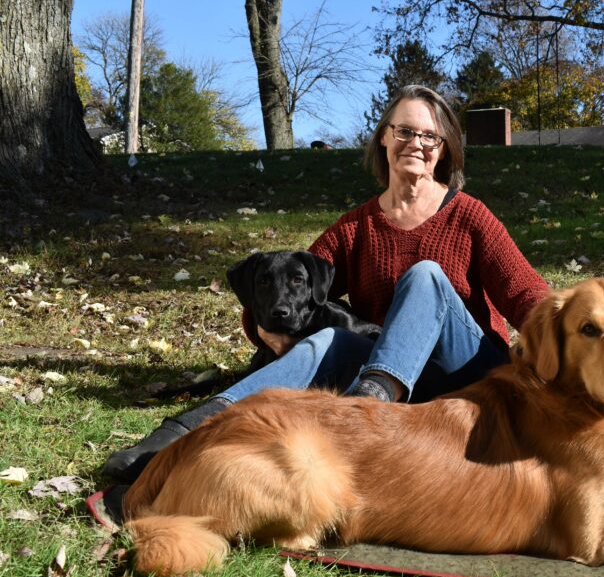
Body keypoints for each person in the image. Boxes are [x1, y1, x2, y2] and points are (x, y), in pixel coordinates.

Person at [103, 85, 550, 483]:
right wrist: (263, 325)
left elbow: (525, 293)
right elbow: (292, 281)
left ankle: (355, 419)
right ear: (383, 137)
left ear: (444, 149)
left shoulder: (468, 215)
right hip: (393, 384)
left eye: (429, 136)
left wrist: (578, 335)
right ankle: (185, 435)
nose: (415, 143)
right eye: (404, 131)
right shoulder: (356, 227)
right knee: (325, 342)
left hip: (468, 375)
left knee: (426, 277)